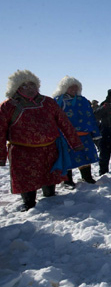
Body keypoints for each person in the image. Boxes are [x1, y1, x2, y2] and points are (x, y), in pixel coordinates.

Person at [0, 70, 83, 211]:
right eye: (25, 86)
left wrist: (75, 142)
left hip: (49, 149)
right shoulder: (8, 106)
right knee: (26, 179)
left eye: (32, 85)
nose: (30, 88)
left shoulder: (48, 102)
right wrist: (1, 156)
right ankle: (29, 203)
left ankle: (50, 196)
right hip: (22, 151)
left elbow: (64, 123)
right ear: (16, 87)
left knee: (49, 176)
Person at [53, 76, 101, 187]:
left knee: (85, 156)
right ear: (64, 88)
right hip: (66, 136)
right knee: (67, 157)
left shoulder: (83, 100)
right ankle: (67, 180)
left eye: (76, 88)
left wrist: (95, 133)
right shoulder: (58, 101)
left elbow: (90, 117)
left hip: (84, 135)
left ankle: (87, 177)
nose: (74, 90)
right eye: (71, 88)